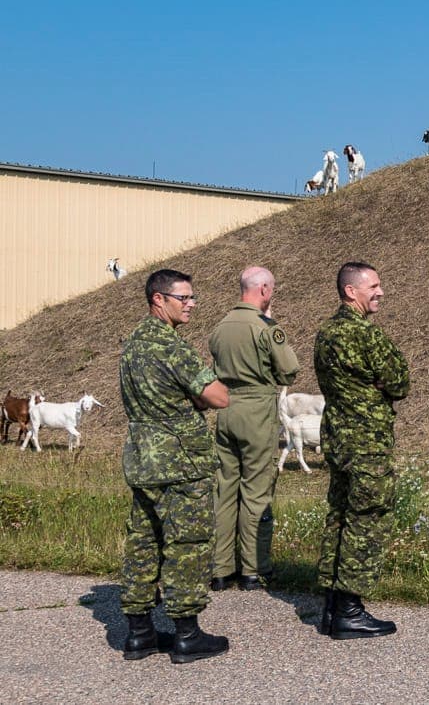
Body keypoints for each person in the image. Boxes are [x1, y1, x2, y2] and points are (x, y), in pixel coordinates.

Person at [117, 268, 233, 663]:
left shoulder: (132, 344)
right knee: (188, 544)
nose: (191, 305)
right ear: (158, 300)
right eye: (183, 298)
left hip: (142, 458)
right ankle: (186, 633)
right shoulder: (172, 346)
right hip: (180, 462)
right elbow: (218, 397)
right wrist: (198, 398)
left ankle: (139, 632)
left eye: (192, 297)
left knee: (143, 542)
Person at [314, 261, 410, 639]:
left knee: (339, 515)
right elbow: (399, 382)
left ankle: (332, 606)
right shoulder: (366, 335)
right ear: (350, 291)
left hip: (339, 439)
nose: (381, 292)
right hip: (367, 442)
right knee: (365, 519)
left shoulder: (325, 333)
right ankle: (350, 610)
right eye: (373, 286)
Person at [208, 267, 300, 592]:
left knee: (225, 487)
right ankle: (253, 568)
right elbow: (289, 371)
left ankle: (220, 570)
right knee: (256, 488)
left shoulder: (220, 327)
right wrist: (272, 323)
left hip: (226, 409)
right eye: (271, 290)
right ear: (263, 290)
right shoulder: (265, 327)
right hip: (257, 410)